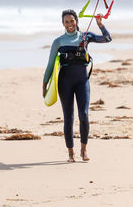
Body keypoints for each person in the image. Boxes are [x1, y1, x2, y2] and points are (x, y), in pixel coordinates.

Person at [42, 9, 112, 162]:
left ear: (76, 21)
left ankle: (84, 150)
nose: (70, 24)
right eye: (66, 22)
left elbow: (107, 38)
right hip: (64, 82)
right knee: (68, 117)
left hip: (82, 81)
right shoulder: (58, 42)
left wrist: (100, 24)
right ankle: (70, 153)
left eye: (72, 21)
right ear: (63, 24)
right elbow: (49, 65)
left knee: (84, 115)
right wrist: (45, 84)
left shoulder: (85, 37)